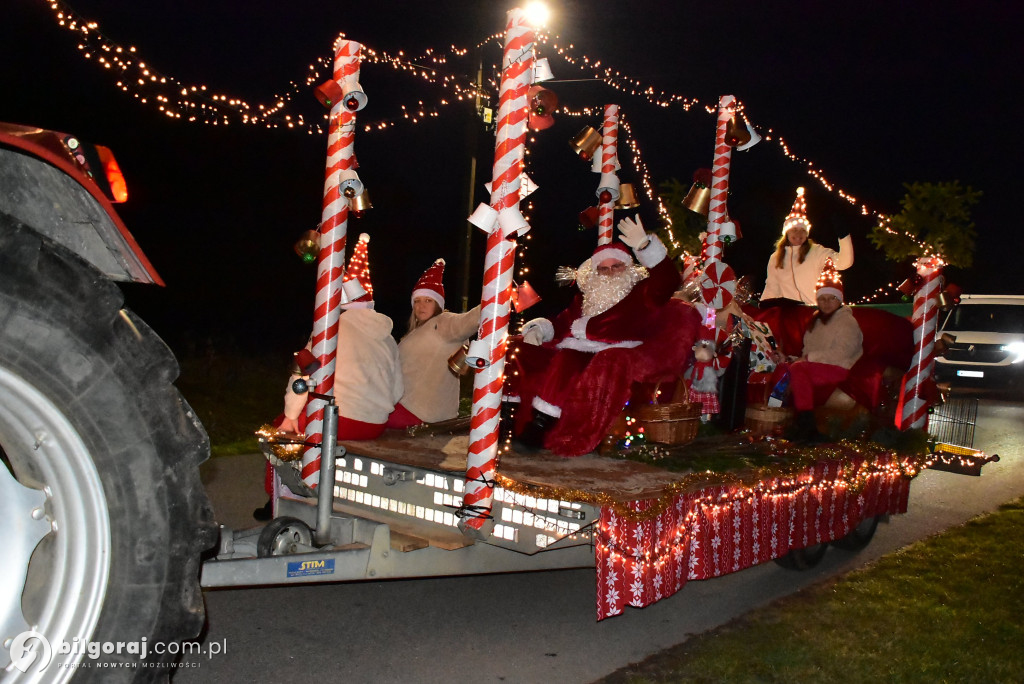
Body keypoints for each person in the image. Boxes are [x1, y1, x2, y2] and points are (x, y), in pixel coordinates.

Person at [511, 216, 687, 454]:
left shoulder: (642, 293)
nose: (610, 274)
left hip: (612, 355)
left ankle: (541, 425)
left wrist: (645, 246)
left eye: (617, 267)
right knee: (516, 349)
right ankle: (505, 420)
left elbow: (668, 280)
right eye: (603, 269)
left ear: (629, 268)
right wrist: (538, 330)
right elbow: (562, 322)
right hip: (575, 349)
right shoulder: (585, 299)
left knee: (568, 359)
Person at [386, 258, 481, 428]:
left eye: (428, 301)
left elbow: (470, 320)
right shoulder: (416, 332)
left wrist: (498, 297)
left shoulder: (443, 323)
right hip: (409, 407)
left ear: (438, 303)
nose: (421, 306)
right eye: (417, 301)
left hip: (418, 411)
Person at [769, 275, 863, 442]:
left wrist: (807, 359)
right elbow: (807, 353)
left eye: (831, 298)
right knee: (783, 368)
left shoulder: (847, 322)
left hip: (839, 368)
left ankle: (807, 424)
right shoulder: (815, 321)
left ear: (839, 300)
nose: (826, 303)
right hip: (815, 366)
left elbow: (842, 353)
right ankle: (775, 420)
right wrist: (789, 358)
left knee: (798, 368)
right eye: (822, 299)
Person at [760, 187, 853, 306]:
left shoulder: (817, 251)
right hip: (790, 314)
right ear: (786, 233)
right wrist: (764, 309)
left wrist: (844, 236)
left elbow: (844, 262)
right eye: (794, 230)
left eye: (802, 231)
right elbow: (772, 287)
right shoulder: (775, 257)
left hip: (813, 312)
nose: (798, 234)